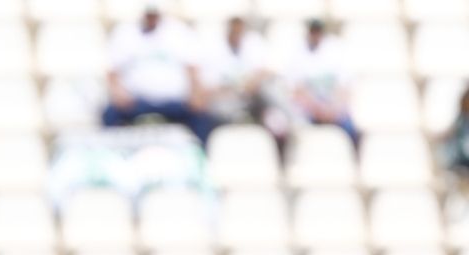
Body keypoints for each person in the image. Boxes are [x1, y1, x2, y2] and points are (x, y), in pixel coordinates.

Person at [102, 4, 216, 145]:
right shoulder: (125, 32)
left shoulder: (178, 31)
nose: (151, 18)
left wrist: (196, 95)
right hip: (135, 101)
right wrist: (118, 93)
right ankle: (113, 157)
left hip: (175, 101)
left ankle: (200, 156)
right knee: (110, 113)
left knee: (202, 116)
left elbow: (192, 67)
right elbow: (112, 70)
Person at [203, 16, 289, 148]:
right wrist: (238, 87)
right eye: (234, 31)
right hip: (228, 100)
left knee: (269, 91)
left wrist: (253, 82)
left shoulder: (253, 43)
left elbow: (271, 70)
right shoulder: (213, 49)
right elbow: (211, 88)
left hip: (252, 98)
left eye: (240, 31)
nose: (237, 35)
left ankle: (286, 124)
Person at [283, 17, 358, 146]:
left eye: (318, 31)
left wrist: (333, 109)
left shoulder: (336, 49)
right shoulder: (296, 52)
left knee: (351, 129)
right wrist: (318, 110)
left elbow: (344, 87)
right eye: (313, 31)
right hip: (309, 112)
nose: (315, 34)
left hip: (333, 109)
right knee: (296, 130)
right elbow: (297, 90)